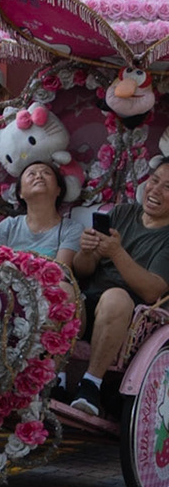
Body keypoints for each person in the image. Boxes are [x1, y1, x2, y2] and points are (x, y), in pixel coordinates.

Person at [68, 161, 169, 417]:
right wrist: (87, 250)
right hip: (90, 304)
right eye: (154, 180)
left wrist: (116, 251)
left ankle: (91, 385)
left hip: (135, 319)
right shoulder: (122, 213)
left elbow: (152, 290)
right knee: (62, 289)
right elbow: (83, 270)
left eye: (167, 187)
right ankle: (55, 378)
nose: (155, 190)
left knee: (115, 298)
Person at [0, 161, 83, 266]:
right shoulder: (8, 226)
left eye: (46, 173)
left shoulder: (72, 229)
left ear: (58, 190)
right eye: (31, 174)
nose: (39, 176)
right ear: (20, 193)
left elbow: (60, 273)